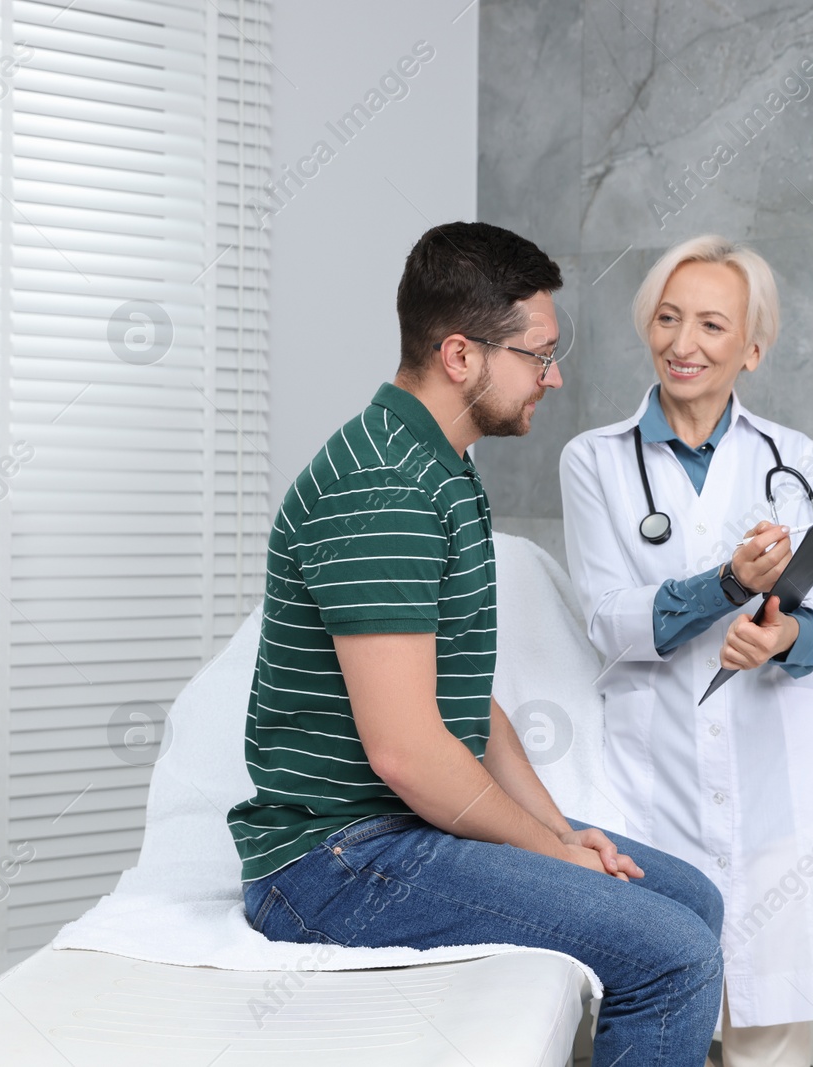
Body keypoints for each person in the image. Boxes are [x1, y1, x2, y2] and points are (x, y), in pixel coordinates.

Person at [226, 221, 724, 1067]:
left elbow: (462, 703)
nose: (554, 376)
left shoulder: (439, 468)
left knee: (691, 899)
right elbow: (409, 754)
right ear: (461, 355)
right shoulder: (382, 483)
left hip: (399, 832)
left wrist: (559, 831)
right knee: (674, 958)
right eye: (539, 354)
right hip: (333, 862)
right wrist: (555, 854)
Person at [559, 235, 813, 1067]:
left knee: (770, 1042)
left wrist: (784, 633)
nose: (683, 343)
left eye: (712, 324)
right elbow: (609, 619)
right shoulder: (595, 460)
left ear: (752, 348)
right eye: (667, 318)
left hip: (780, 767)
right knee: (660, 1017)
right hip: (654, 777)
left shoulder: (793, 457)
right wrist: (727, 585)